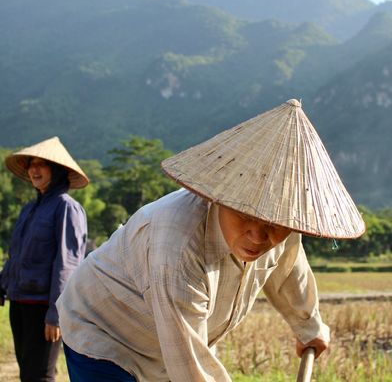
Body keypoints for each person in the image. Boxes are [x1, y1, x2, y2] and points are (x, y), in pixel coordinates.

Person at [56, 99, 365, 382]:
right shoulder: (177, 245)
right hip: (106, 333)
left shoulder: (285, 221)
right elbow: (191, 370)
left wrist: (309, 328)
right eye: (245, 216)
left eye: (274, 225)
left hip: (168, 343)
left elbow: (288, 274)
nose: (258, 237)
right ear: (220, 197)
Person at [0, 136, 89, 382]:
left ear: (57, 170)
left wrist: (55, 313)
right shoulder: (29, 209)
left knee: (40, 375)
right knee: (27, 373)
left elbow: (67, 264)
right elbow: (16, 255)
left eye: (42, 164)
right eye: (31, 164)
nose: (34, 169)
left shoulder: (66, 208)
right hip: (20, 303)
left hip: (43, 307)